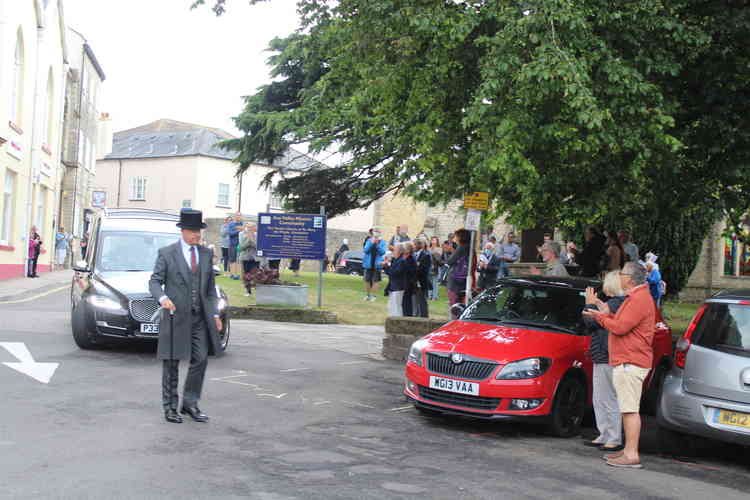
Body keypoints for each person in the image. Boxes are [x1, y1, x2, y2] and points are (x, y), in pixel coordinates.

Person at [148, 209, 223, 424]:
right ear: (182, 231)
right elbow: (154, 281)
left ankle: (190, 404)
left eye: (198, 230)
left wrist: (215, 313)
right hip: (174, 316)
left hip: (199, 317)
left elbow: (210, 288)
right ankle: (170, 407)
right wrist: (163, 298)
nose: (196, 235)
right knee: (171, 363)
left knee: (200, 359)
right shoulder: (167, 253)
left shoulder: (206, 254)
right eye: (192, 231)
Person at [583, 261, 655, 469]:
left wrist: (600, 317)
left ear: (630, 279)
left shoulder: (638, 299)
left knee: (630, 409)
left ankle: (631, 453)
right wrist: (605, 311)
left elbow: (621, 327)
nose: (620, 276)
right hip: (628, 360)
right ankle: (628, 450)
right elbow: (622, 322)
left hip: (631, 361)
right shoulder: (636, 298)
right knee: (626, 408)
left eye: (623, 273)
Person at [582, 271, 626, 453]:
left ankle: (613, 437)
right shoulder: (616, 304)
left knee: (607, 398)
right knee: (601, 397)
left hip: (607, 355)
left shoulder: (616, 304)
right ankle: (606, 434)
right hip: (604, 355)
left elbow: (590, 322)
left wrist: (589, 304)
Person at [446, 229, 472, 308]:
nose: (455, 239)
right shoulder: (469, 247)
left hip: (456, 279)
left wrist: (451, 251)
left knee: (454, 303)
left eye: (456, 237)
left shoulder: (461, 247)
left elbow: (450, 261)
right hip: (463, 279)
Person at [363, 228, 387, 301]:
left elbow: (382, 252)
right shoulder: (369, 240)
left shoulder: (383, 242)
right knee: (367, 280)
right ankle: (367, 295)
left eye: (378, 232)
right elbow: (365, 250)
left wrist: (377, 245)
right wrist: (371, 243)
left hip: (377, 264)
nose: (376, 233)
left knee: (375, 281)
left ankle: (374, 296)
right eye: (375, 231)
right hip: (368, 263)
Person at [411, 238, 432, 317]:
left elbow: (424, 270)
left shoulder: (426, 256)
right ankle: (415, 315)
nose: (412, 247)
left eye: (414, 245)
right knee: (414, 301)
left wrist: (416, 268)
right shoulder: (413, 255)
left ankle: (424, 317)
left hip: (421, 282)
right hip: (413, 282)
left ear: (417, 245)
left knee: (422, 301)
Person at [384, 244, 407, 316]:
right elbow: (390, 272)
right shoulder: (396, 260)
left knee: (396, 306)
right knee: (391, 306)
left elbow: (394, 273)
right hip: (393, 286)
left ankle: (398, 321)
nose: (393, 252)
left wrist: (387, 266)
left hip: (398, 287)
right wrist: (386, 265)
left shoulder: (402, 261)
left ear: (399, 251)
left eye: (395, 250)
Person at [238, 223, 258, 294]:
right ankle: (248, 290)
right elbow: (242, 246)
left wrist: (251, 239)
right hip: (245, 257)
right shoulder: (241, 234)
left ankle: (256, 289)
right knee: (246, 274)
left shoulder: (257, 234)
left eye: (252, 227)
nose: (250, 228)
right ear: (246, 227)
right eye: (248, 227)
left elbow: (257, 246)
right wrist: (248, 239)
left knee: (256, 274)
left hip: (255, 258)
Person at [227, 212, 243, 280]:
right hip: (233, 244)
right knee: (232, 259)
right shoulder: (231, 224)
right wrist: (238, 231)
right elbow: (230, 233)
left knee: (239, 260)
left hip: (240, 244)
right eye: (237, 215)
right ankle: (232, 274)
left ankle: (237, 275)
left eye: (240, 215)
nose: (238, 217)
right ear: (235, 216)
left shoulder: (242, 224)